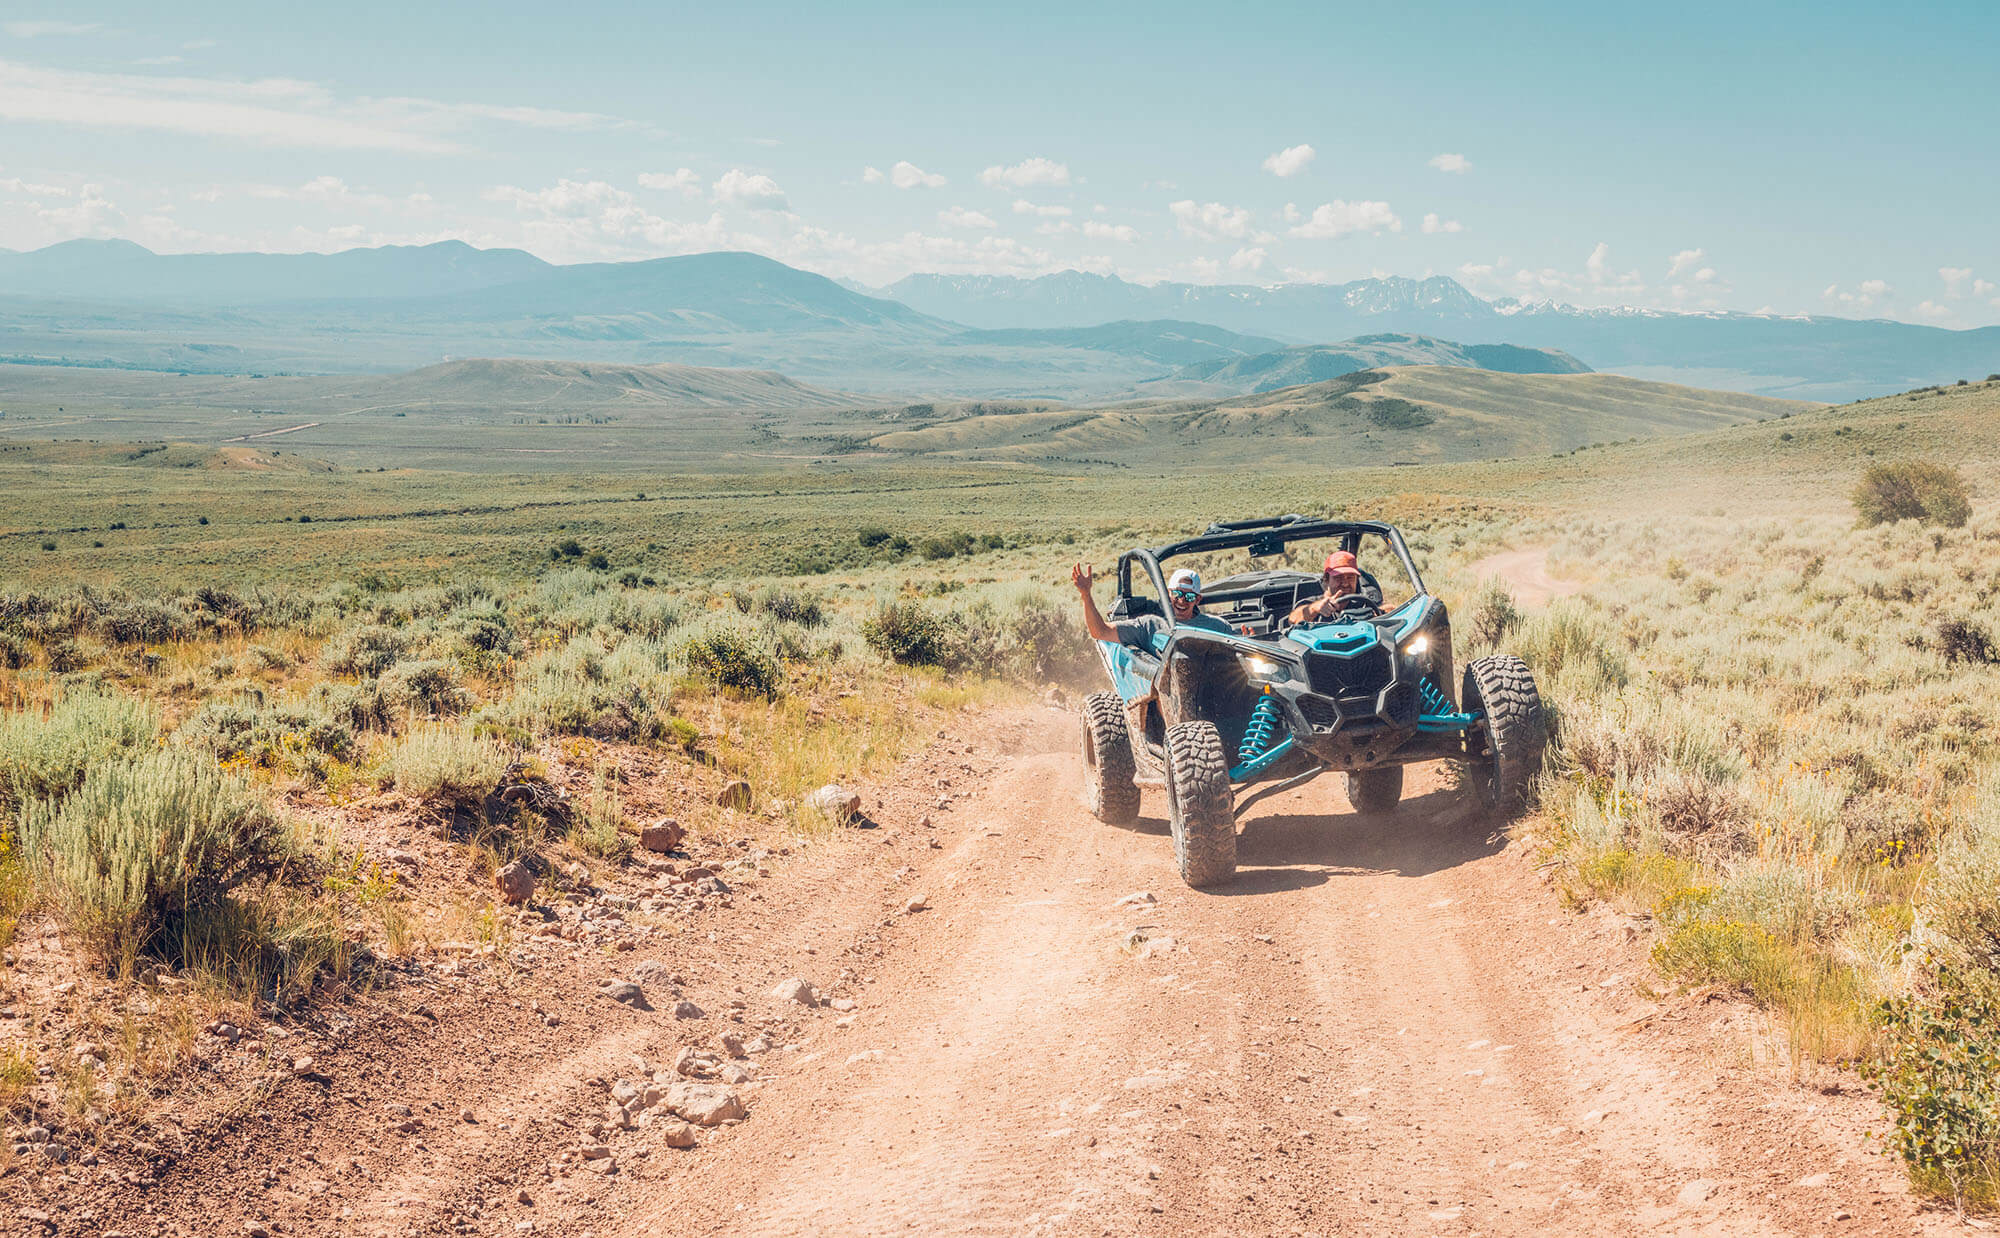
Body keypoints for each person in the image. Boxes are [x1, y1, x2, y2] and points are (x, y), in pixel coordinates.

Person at [1072, 562, 1234, 653]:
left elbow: (1239, 658)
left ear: (1198, 599)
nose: (1182, 600)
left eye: (1189, 596)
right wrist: (1086, 595)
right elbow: (1100, 632)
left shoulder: (1219, 626)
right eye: (1176, 594)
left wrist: (1249, 641)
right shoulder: (1150, 626)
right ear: (1168, 594)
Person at [1284, 550, 1378, 627]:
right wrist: (1316, 609)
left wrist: (1382, 612)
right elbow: (1292, 620)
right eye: (1338, 577)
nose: (1345, 583)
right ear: (1326, 579)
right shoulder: (1313, 604)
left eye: (1350, 577)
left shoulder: (1362, 604)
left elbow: (1384, 610)